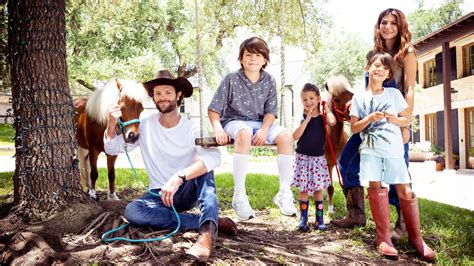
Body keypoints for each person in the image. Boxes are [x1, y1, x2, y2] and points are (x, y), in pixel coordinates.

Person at [104, 70, 237, 263]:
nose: (162, 97)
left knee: (205, 169)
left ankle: (207, 233)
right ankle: (209, 221)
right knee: (132, 211)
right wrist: (111, 123)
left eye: (167, 92)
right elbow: (113, 148)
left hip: (185, 190)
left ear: (178, 95)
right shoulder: (146, 125)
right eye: (157, 93)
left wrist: (180, 177)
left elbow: (215, 156)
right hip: (158, 196)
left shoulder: (191, 127)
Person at [331, 9, 417, 238]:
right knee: (346, 162)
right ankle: (356, 213)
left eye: (393, 23)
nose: (388, 26)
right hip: (368, 117)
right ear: (378, 26)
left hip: (392, 119)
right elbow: (369, 88)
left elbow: (409, 89)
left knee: (398, 171)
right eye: (384, 22)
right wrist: (357, 106)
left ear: (400, 27)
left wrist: (404, 124)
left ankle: (403, 224)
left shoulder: (406, 53)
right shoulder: (373, 54)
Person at [350, 52, 435, 261]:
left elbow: (406, 121)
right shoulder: (359, 98)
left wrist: (395, 120)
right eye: (375, 65)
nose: (379, 69)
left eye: (384, 68)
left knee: (405, 190)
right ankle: (383, 238)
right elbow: (353, 128)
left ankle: (416, 239)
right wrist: (369, 118)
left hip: (394, 151)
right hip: (370, 152)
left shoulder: (394, 95)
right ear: (367, 68)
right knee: (376, 188)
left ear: (388, 73)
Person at [208, 37, 297, 221]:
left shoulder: (269, 80)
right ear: (241, 59)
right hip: (235, 121)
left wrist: (265, 130)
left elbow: (271, 111)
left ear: (265, 60)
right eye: (248, 55)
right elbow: (214, 109)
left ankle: (284, 192)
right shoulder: (231, 78)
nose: (253, 59)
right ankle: (239, 195)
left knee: (286, 136)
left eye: (258, 55)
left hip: (260, 123)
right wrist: (218, 128)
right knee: (244, 132)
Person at [292, 83, 336, 232]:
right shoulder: (302, 117)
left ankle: (319, 219)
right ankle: (303, 219)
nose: (308, 102)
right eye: (305, 99)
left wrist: (326, 107)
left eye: (312, 98)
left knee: (318, 189)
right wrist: (307, 119)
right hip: (303, 158)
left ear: (318, 99)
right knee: (303, 189)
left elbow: (332, 122)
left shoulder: (324, 116)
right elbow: (295, 135)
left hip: (318, 159)